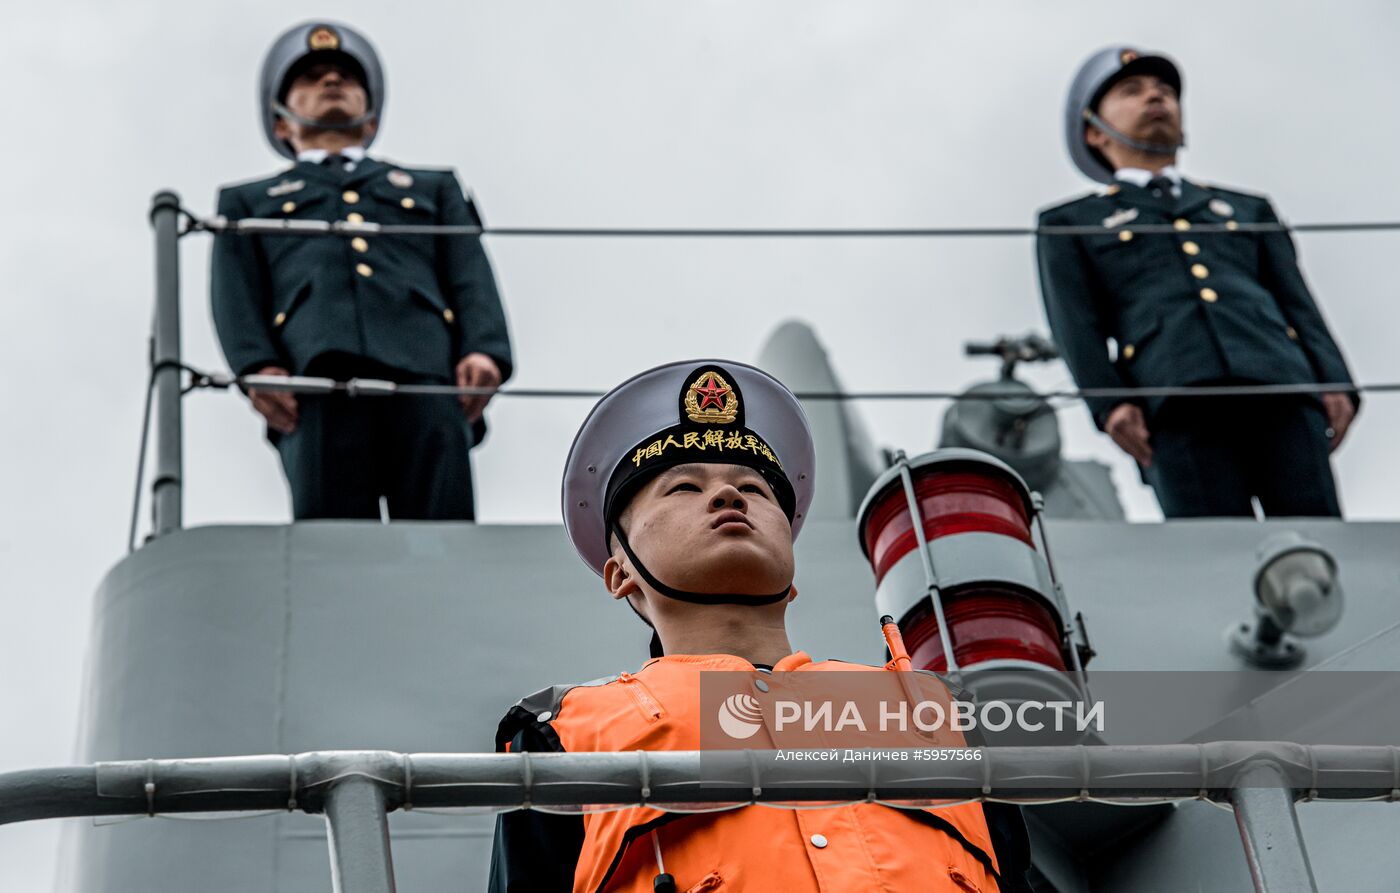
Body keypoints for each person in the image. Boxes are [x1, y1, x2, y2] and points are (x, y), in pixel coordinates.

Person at [488, 360, 1029, 892]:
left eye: (755, 487)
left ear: (791, 564)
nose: (729, 496)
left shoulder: (945, 716)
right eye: (683, 487)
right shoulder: (561, 736)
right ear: (620, 572)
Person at [1036, 46, 1359, 518]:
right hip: (1173, 402)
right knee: (1213, 558)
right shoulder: (1071, 223)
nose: (1155, 98)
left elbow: (1298, 303)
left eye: (1165, 91)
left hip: (1281, 389)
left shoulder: (1247, 209)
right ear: (1093, 131)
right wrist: (1111, 405)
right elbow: (1075, 324)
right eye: (1133, 91)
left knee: (1320, 546)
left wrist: (1334, 381)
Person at [211, 21, 512, 520]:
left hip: (428, 372)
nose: (332, 83)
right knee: (330, 542)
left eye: (345, 78)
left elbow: (467, 270)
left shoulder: (433, 187)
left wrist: (485, 349)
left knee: (443, 534)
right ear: (281, 122)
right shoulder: (247, 201)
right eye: (310, 78)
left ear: (370, 119)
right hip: (316, 376)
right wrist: (256, 367)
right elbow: (236, 292)